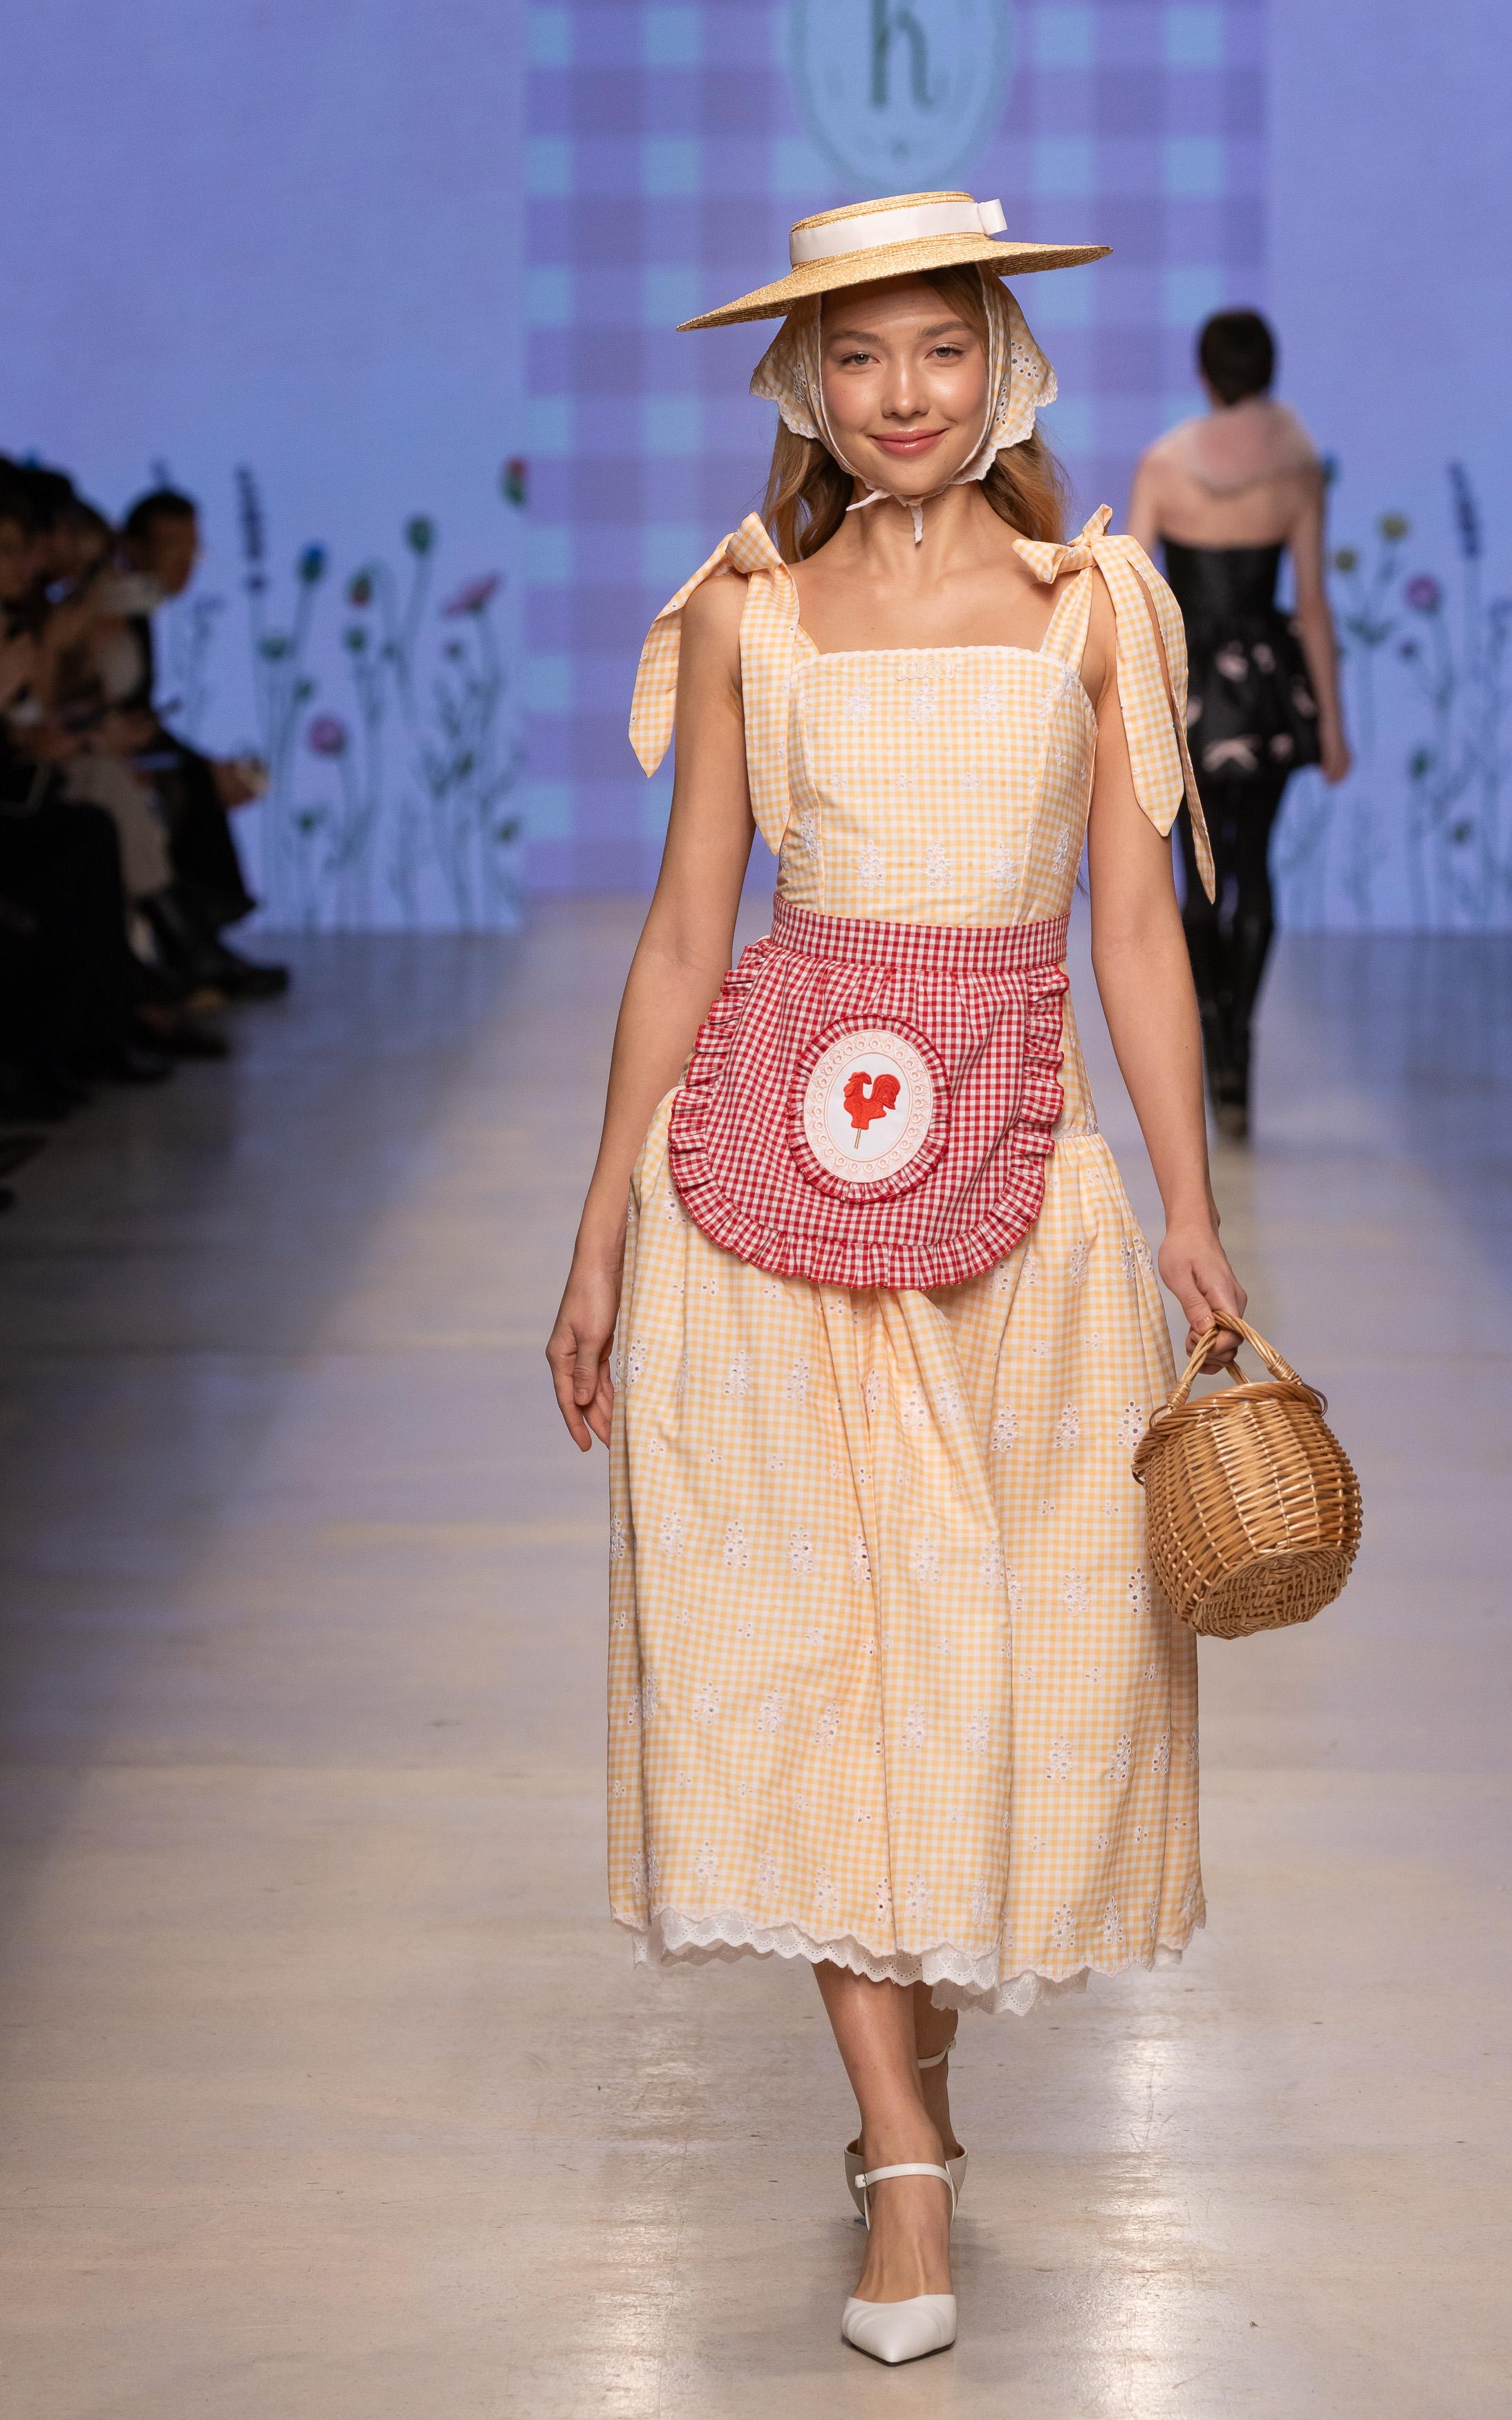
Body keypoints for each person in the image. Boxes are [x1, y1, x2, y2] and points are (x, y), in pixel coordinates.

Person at [544, 192, 1246, 2366]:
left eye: (940, 348)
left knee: (990, 1642)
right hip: (765, 1187)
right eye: (858, 356)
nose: (903, 393)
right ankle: (903, 2155)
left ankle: (910, 2064)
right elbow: (687, 928)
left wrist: (1190, 1208)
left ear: (1002, 364)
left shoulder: (1091, 606)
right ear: (803, 384)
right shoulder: (746, 611)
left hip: (1022, 1191)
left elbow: (1135, 927)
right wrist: (598, 1220)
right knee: (808, 1641)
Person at [1128, 309, 1350, 1134]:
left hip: (1187, 689)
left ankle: (1214, 1035)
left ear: (1203, 373)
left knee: (1197, 877)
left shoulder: (1163, 465)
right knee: (1251, 862)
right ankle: (1237, 1047)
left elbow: (1132, 591)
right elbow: (1312, 606)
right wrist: (1332, 725)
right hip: (1262, 690)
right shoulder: (1296, 472)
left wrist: (1122, 703)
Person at [116, 487, 288, 997]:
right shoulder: (112, 611)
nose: (185, 563)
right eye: (172, 547)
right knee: (189, 782)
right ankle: (194, 946)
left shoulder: (138, 613)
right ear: (134, 548)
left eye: (193, 549)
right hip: (93, 760)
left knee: (194, 779)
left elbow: (137, 715)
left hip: (123, 752)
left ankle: (201, 941)